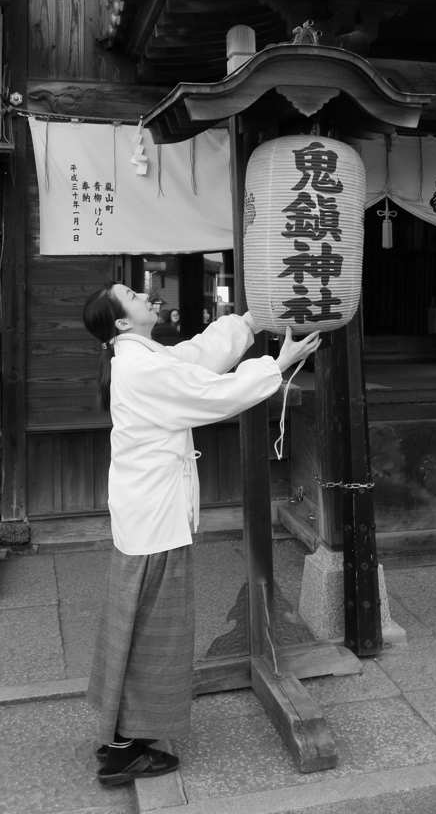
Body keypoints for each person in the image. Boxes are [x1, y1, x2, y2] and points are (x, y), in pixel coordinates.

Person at [82, 282, 320, 785]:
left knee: (139, 621)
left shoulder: (142, 356)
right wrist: (275, 365)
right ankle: (123, 746)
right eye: (132, 294)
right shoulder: (140, 366)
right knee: (151, 628)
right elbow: (206, 392)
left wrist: (250, 324)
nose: (146, 295)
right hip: (153, 518)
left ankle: (121, 734)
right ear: (122, 322)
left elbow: (192, 358)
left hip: (147, 513)